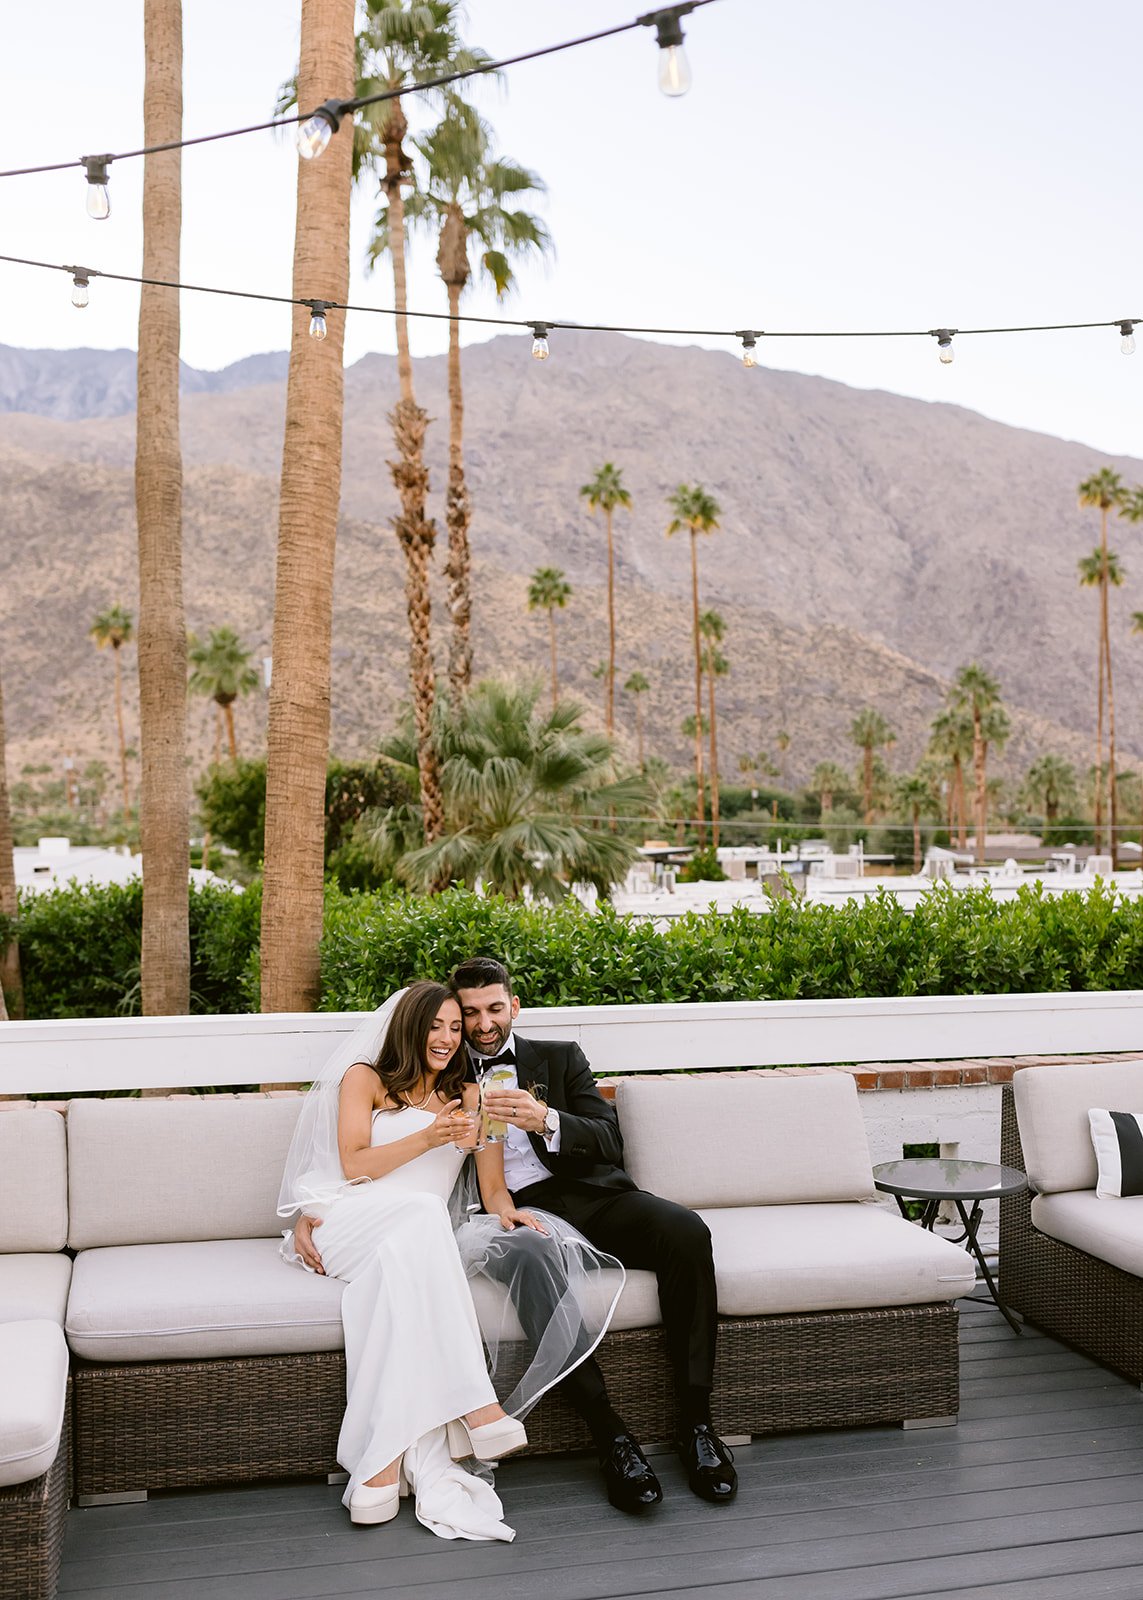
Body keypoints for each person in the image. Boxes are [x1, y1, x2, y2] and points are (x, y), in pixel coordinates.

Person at [296, 957, 737, 1512]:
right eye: (465, 1015)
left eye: (490, 1011)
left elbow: (609, 1141)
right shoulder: (449, 1084)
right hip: (506, 1210)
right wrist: (319, 1206)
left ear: (514, 1007)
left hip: (595, 1199)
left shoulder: (558, 1058)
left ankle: (697, 1424)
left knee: (687, 1232)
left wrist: (545, 1118)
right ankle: (612, 1437)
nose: (477, 1026)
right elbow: (387, 1166)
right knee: (528, 1253)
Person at [280, 979, 624, 1539]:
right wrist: (431, 1137)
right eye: (435, 1026)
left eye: (454, 1028)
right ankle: (478, 1408)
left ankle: (381, 1468)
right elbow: (351, 1166)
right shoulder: (363, 1079)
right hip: (349, 1222)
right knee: (422, 1214)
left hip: (412, 1240)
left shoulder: (472, 1095)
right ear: (410, 1028)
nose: (446, 1038)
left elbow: (491, 1186)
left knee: (393, 1285)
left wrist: (507, 1212)